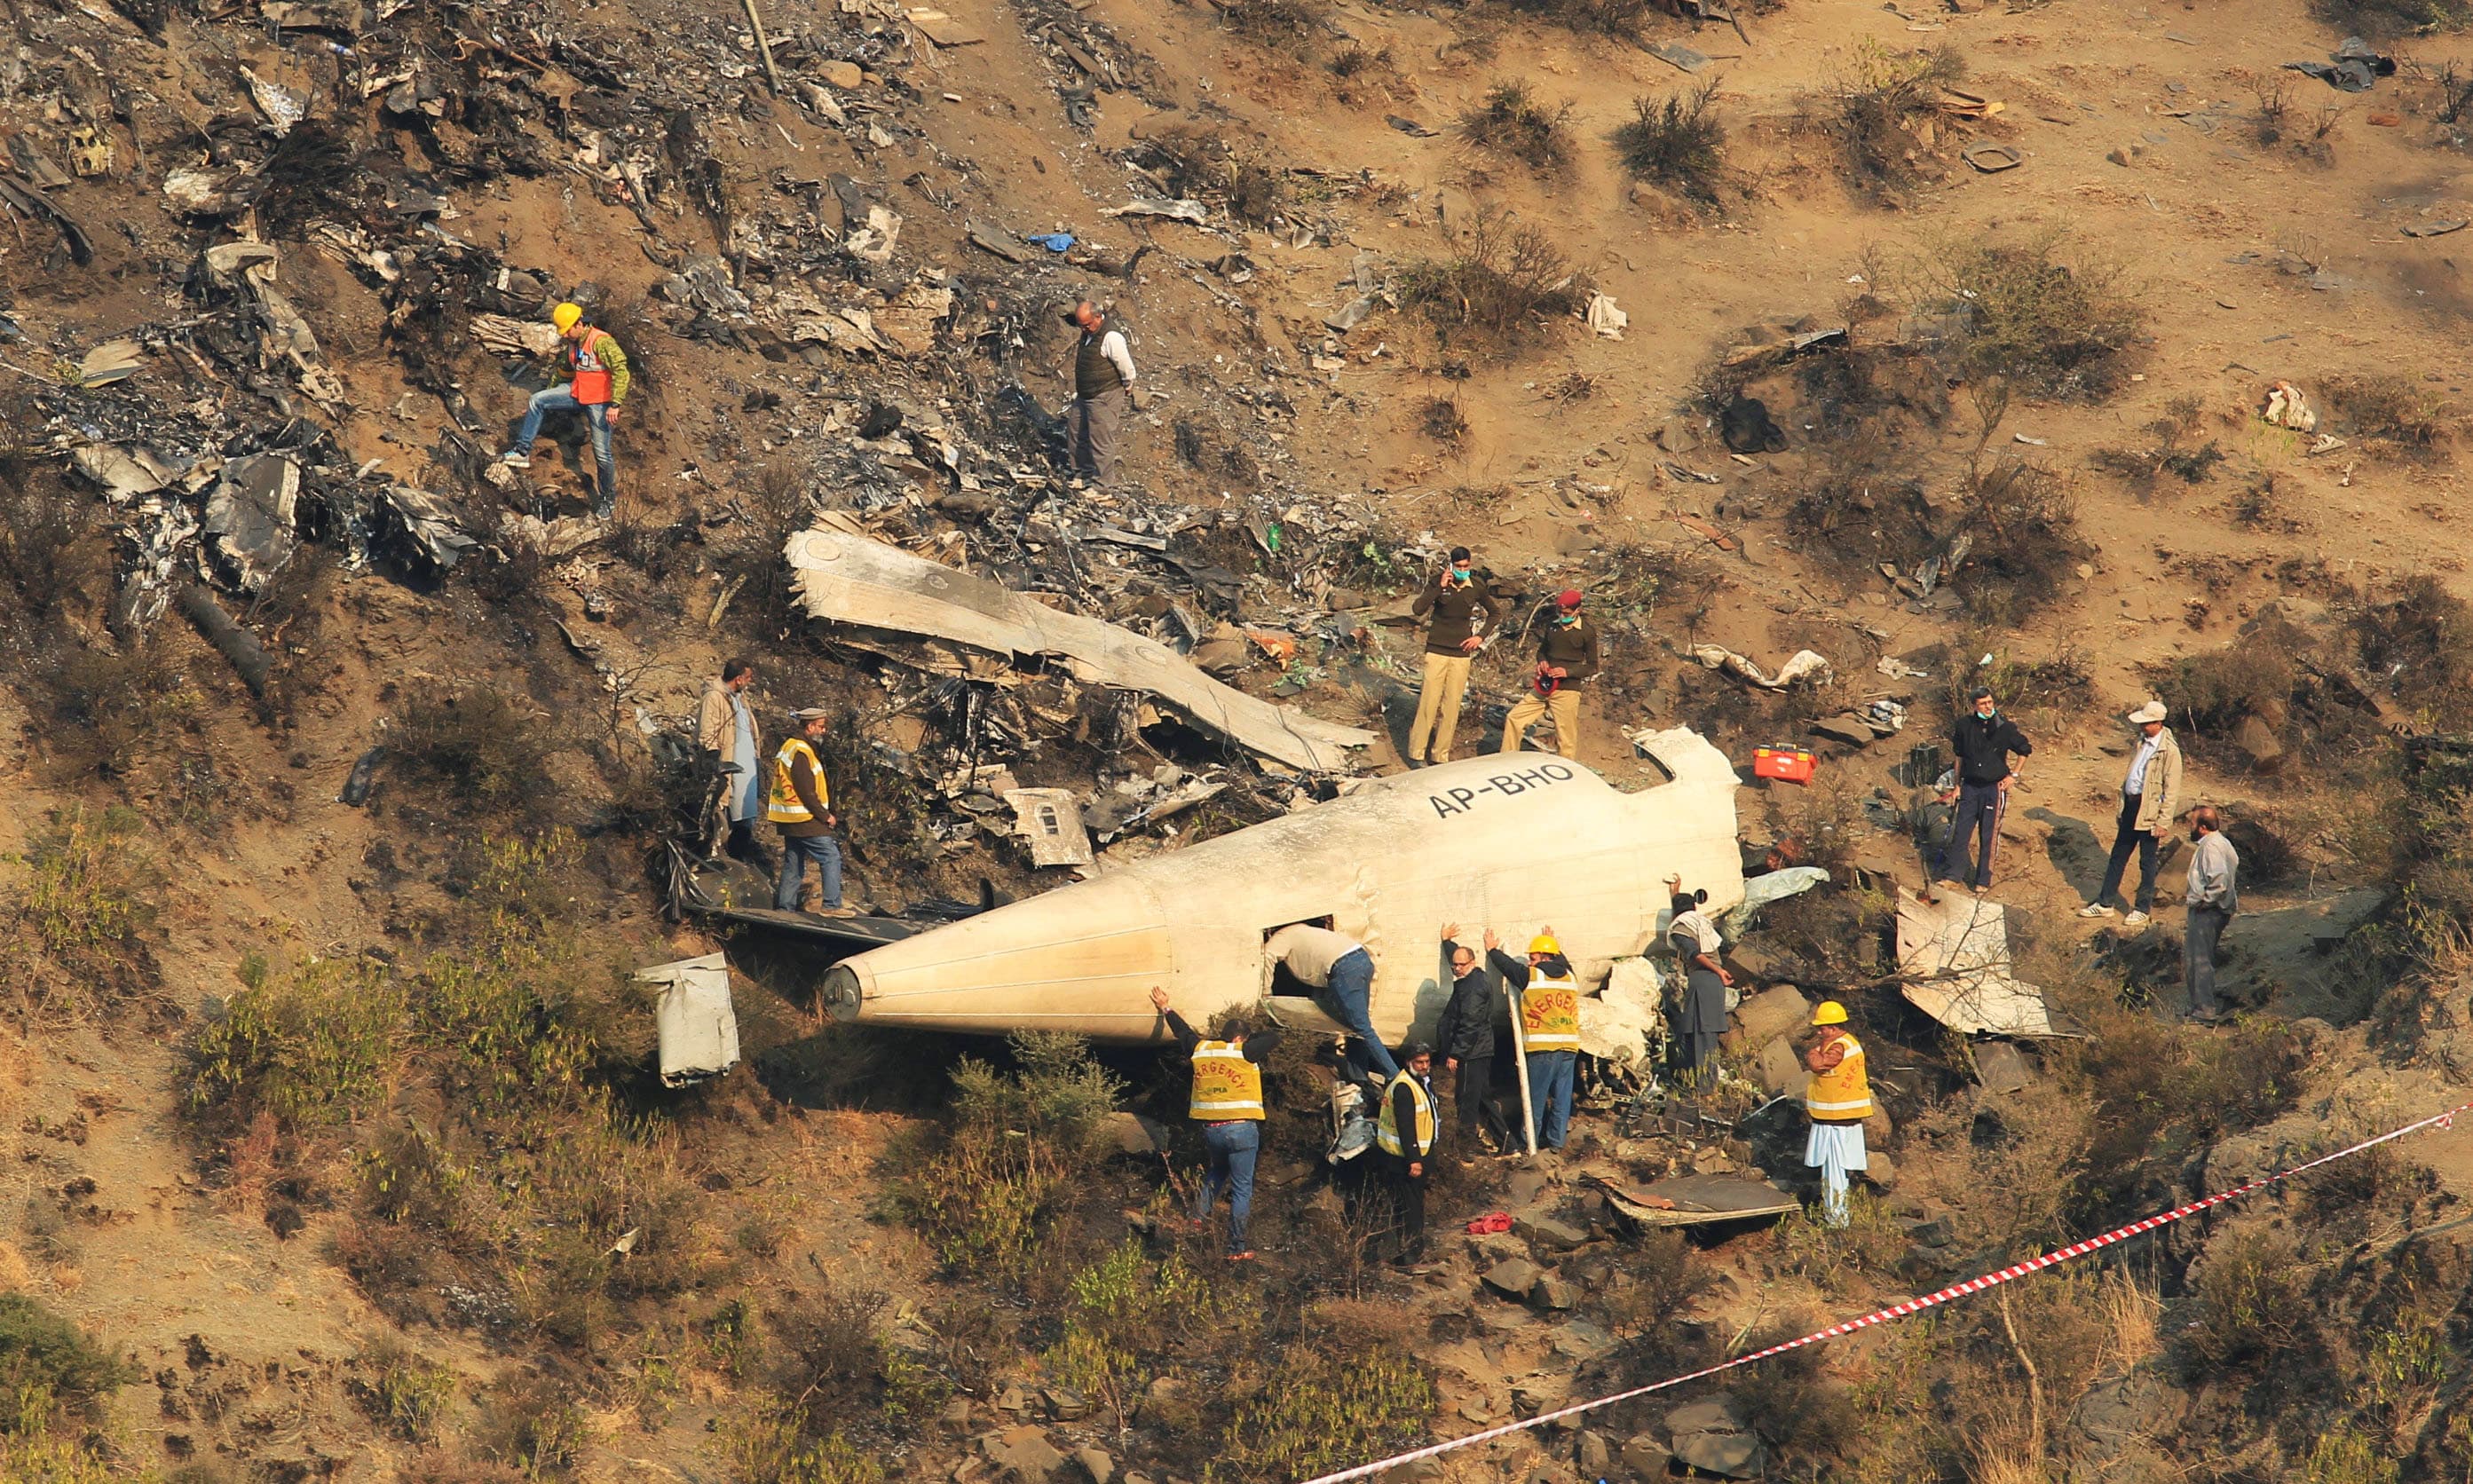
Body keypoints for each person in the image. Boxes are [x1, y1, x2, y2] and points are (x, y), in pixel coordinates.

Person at [1150, 985, 1282, 1261]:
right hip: (1242, 1130)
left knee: (1217, 1172)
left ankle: (1196, 1220)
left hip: (1212, 1131)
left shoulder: (1201, 1049)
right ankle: (1236, 1247)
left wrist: (1165, 1007)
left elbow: (1183, 1032)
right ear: (1239, 1037)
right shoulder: (1244, 1052)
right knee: (1242, 1187)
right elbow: (1274, 1037)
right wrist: (1248, 1039)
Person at [502, 301, 631, 519]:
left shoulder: (601, 342)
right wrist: (549, 397)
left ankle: (608, 500)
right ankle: (522, 451)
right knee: (537, 400)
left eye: (567, 330)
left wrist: (615, 404)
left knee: (602, 455)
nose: (565, 335)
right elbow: (563, 372)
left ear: (579, 324)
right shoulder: (573, 344)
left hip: (600, 402)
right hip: (577, 394)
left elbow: (621, 370)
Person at [2077, 701, 2185, 928]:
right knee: (2118, 855)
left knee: (2147, 862)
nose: (2142, 727)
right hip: (2132, 806)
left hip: (2150, 812)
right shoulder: (2142, 743)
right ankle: (2105, 903)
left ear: (2158, 723)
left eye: (2147, 723)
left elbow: (2171, 790)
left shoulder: (2170, 751)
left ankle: (2142, 909)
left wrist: (2163, 821)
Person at [1484, 927, 1580, 1153]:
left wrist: (1492, 951)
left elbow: (1508, 967)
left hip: (1543, 1049)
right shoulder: (1570, 977)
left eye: (1533, 957)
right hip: (1569, 1047)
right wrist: (1552, 942)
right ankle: (1556, 1144)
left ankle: (1530, 1143)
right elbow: (1563, 963)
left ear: (1545, 958)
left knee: (1535, 1099)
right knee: (1562, 1099)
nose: (1529, 961)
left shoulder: (1533, 976)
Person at [1265, 920, 1398, 1082]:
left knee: (1362, 1028)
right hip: (1361, 959)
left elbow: (1268, 955)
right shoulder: (1305, 931)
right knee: (1353, 1027)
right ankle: (1358, 1077)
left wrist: (1266, 994)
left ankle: (1394, 1075)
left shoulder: (1282, 936)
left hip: (1343, 968)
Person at [1405, 549, 1503, 766]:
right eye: (1458, 567)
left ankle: (1440, 755)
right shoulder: (1437, 582)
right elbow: (1418, 609)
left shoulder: (1476, 586)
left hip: (1461, 655)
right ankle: (1416, 754)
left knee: (1452, 706)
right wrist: (1440, 586)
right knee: (1428, 703)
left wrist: (1480, 637)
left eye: (1465, 567)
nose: (1462, 571)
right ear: (1450, 566)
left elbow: (1495, 613)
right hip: (1437, 651)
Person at [1932, 686, 2032, 898]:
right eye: (1983, 704)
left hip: (1994, 787)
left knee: (1989, 834)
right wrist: (1957, 785)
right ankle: (1952, 876)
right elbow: (1959, 757)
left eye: (1989, 702)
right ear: (1973, 706)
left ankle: (1983, 880)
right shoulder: (1964, 726)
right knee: (1961, 832)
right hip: (1969, 786)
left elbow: (2024, 750)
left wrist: (2013, 776)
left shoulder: (2004, 727)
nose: (1988, 707)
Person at [768, 707, 852, 916]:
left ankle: (785, 907)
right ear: (810, 726)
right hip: (804, 817)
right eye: (821, 727)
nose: (824, 731)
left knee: (793, 861)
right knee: (830, 856)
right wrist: (825, 816)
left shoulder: (790, 747)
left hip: (789, 817)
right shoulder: (801, 752)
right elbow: (807, 791)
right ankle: (832, 905)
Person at [1498, 589, 1597, 759]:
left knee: (1566, 739)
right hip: (1544, 685)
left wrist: (1568, 672)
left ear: (1577, 611)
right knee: (1514, 718)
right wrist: (1542, 661)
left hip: (1567, 690)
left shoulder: (1586, 632)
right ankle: (1506, 760)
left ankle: (1565, 775)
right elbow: (1542, 651)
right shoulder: (1552, 626)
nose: (1562, 615)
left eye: (1566, 613)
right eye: (1559, 612)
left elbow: (1592, 666)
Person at [1801, 999, 1870, 1228]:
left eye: (1822, 1028)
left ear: (1833, 1027)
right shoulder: (1847, 1043)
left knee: (1834, 1173)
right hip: (1838, 1119)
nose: (1819, 1032)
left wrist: (1812, 1053)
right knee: (1835, 1172)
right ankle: (1837, 1218)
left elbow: (1819, 1064)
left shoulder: (1839, 1046)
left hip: (1837, 1120)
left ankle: (1837, 1221)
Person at [1434, 926, 1502, 1157]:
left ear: (1472, 963)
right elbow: (1460, 957)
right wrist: (1447, 942)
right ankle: (1508, 1144)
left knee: (1466, 1101)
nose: (1455, 969)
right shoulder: (1474, 976)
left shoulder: (1472, 989)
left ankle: (1465, 1151)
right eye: (1454, 964)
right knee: (1483, 1097)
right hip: (1480, 1049)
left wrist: (1456, 1053)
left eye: (1460, 965)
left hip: (1471, 1052)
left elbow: (1470, 1024)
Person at [696, 658, 764, 864]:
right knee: (722, 814)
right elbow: (707, 732)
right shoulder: (715, 697)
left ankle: (738, 856)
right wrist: (713, 760)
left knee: (745, 815)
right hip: (726, 766)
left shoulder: (740, 698)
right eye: (748, 678)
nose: (750, 682)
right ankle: (717, 858)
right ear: (739, 679)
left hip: (745, 766)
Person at [1375, 1043, 1439, 1264]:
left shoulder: (1419, 1083)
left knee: (1409, 1206)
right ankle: (1411, 1254)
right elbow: (1406, 1126)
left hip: (1412, 1156)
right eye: (1419, 1062)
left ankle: (1410, 1250)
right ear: (1408, 1062)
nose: (1424, 1066)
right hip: (1405, 1160)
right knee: (1410, 1209)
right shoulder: (1404, 1087)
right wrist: (1415, 1160)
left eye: (1427, 1062)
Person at [1065, 300, 1136, 485]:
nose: (1084, 329)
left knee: (1100, 440)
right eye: (1081, 326)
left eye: (1087, 325)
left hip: (1104, 394)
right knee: (1076, 432)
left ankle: (1102, 484)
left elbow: (1125, 365)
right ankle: (1083, 474)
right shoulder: (1089, 332)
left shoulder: (1111, 337)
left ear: (1098, 317)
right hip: (1085, 394)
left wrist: (1128, 383)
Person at [1667, 886, 1731, 1078]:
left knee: (1703, 1034)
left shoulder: (1680, 929)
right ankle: (1697, 1084)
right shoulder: (1700, 921)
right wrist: (1674, 894)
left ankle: (1707, 1089)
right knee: (1693, 1032)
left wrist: (1718, 971)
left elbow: (1695, 954)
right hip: (1710, 982)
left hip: (1704, 979)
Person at [2184, 806, 2240, 1022]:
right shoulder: (2221, 843)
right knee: (2197, 958)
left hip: (2209, 911)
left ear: (2203, 827)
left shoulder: (2211, 846)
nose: (2190, 827)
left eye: (2192, 823)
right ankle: (2199, 1007)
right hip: (2214, 909)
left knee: (2199, 960)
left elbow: (2220, 879)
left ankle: (2204, 1010)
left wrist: (2205, 902)